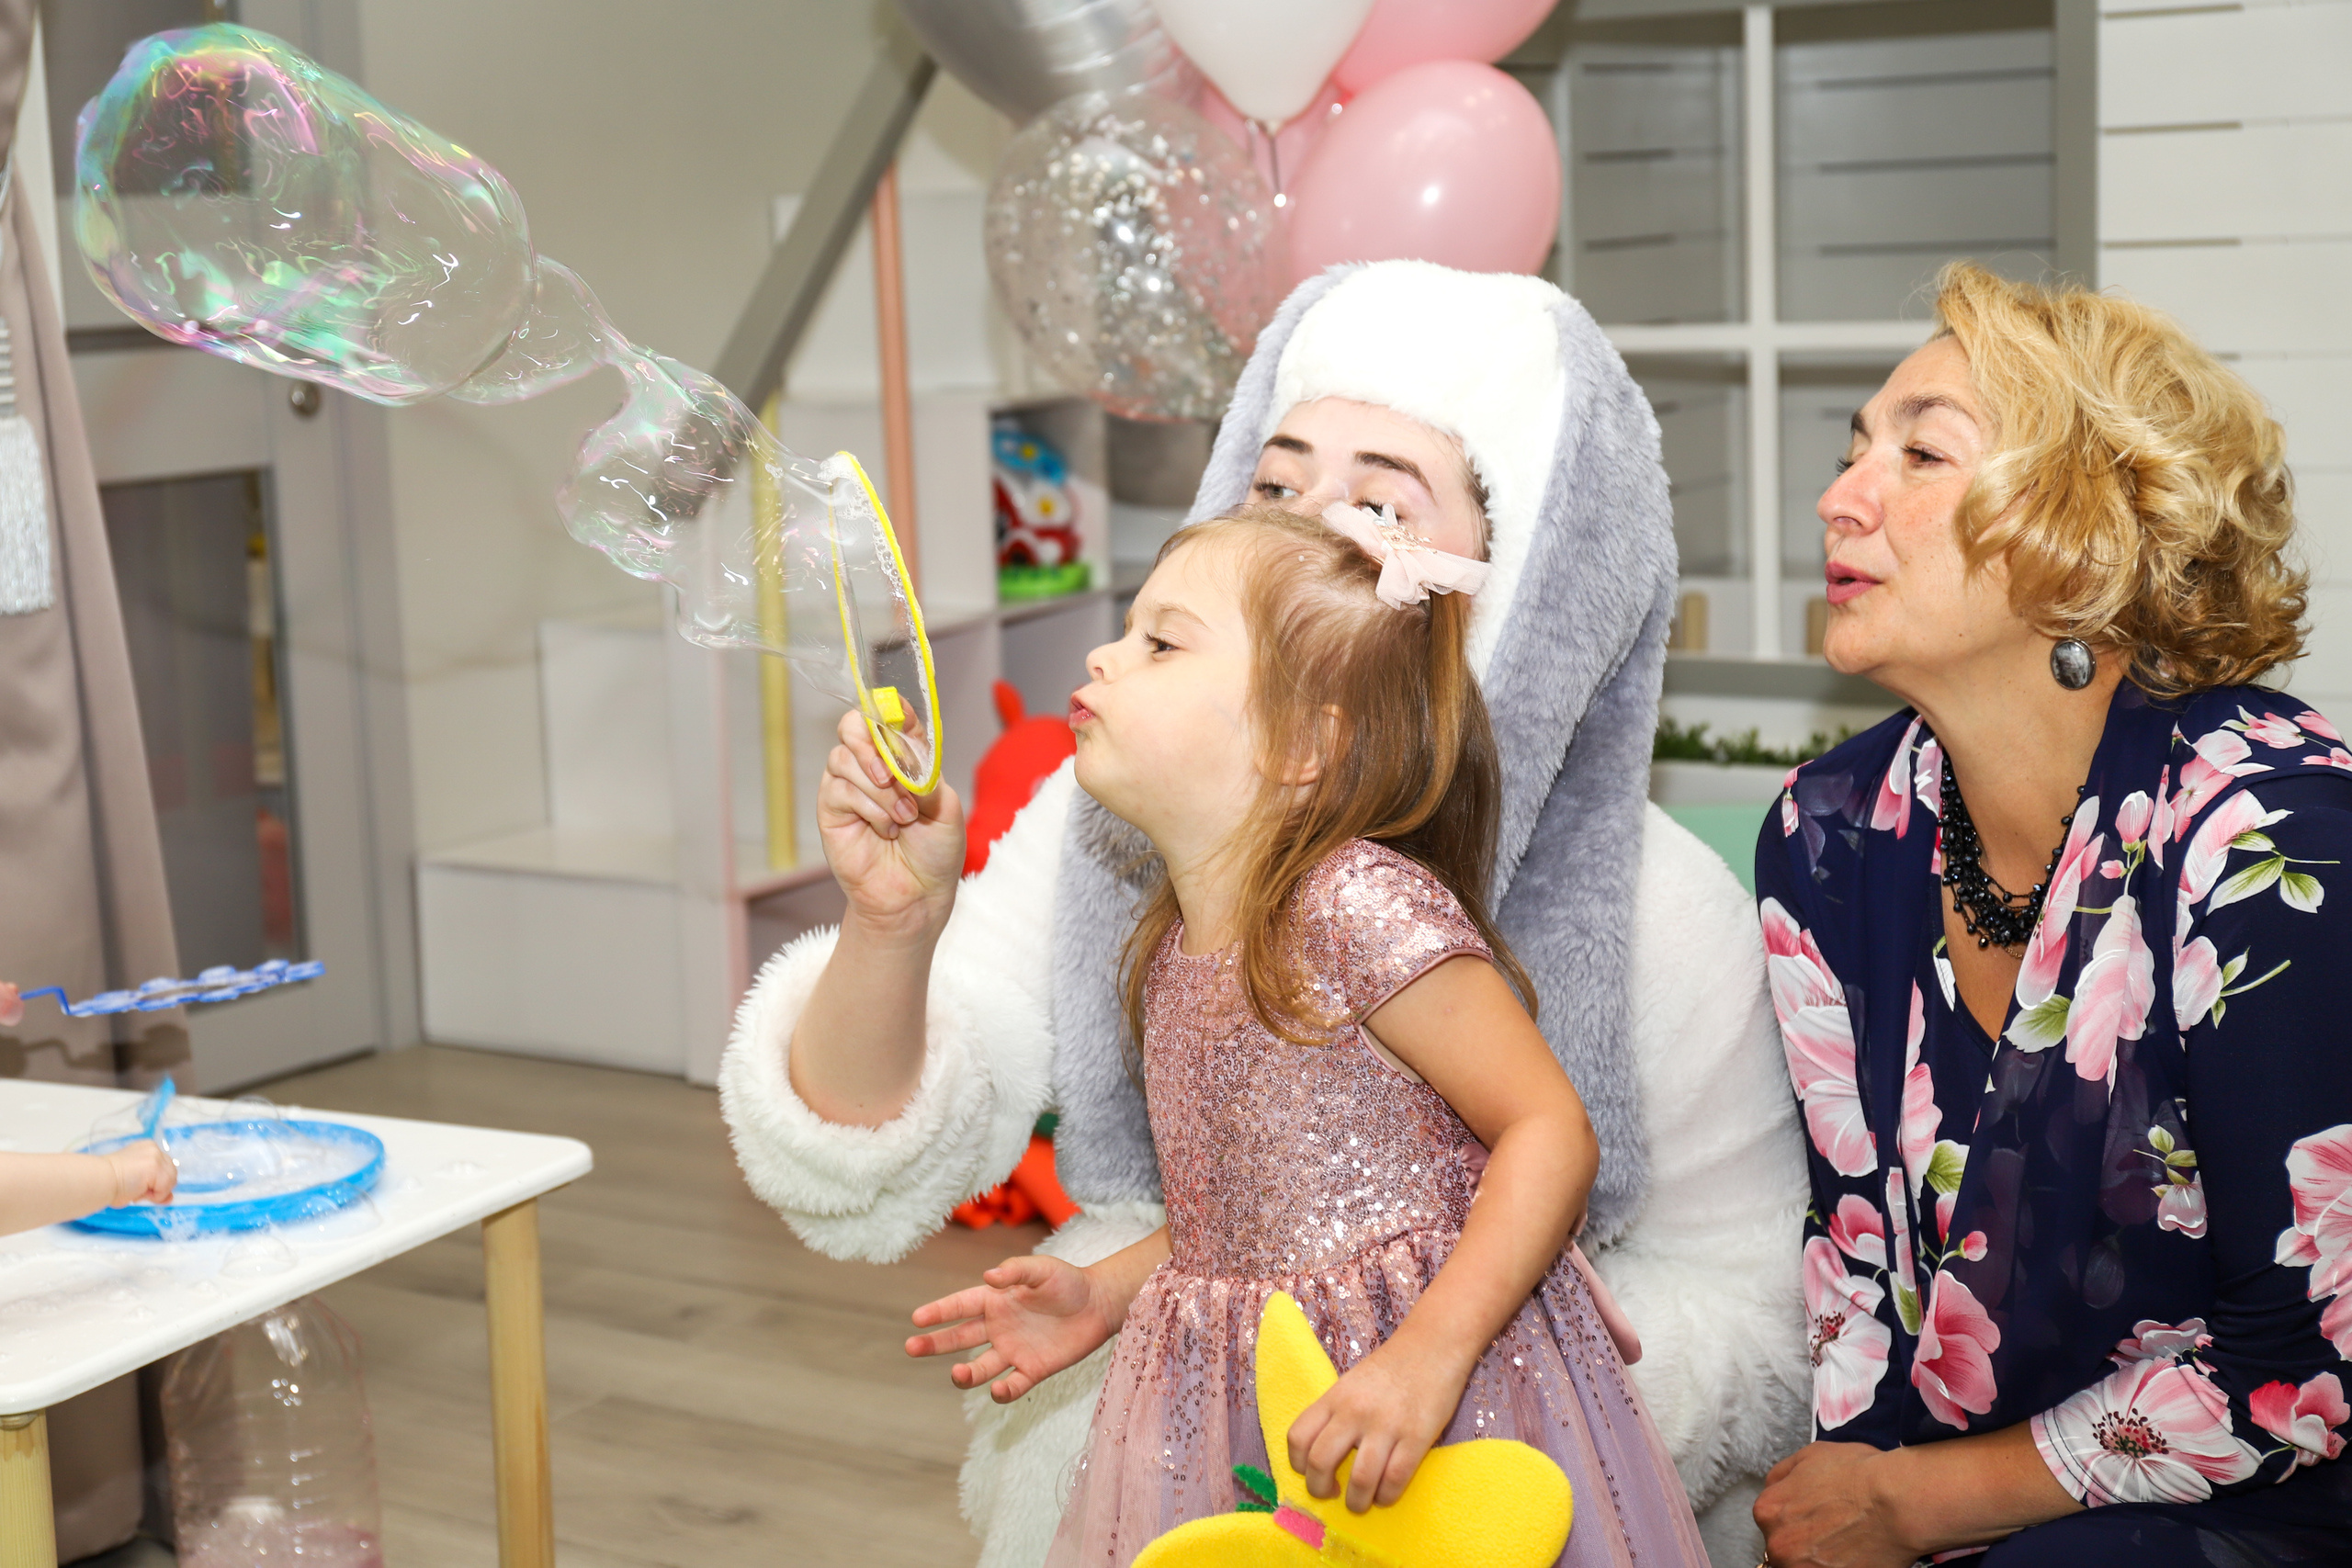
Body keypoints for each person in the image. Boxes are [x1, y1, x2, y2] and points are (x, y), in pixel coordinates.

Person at [720, 260, 1809, 1564]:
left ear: (1516, 578)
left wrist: (1456, 1358)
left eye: (1373, 504)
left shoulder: (1440, 903)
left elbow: (1585, 1168)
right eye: (1276, 483)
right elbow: (1245, 1190)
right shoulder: (1159, 885)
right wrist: (897, 929)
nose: (1302, 529)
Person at [893, 503, 1711, 1565]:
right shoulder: (1177, 946)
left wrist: (1426, 1357)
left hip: (1420, 1393)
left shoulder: (1355, 904)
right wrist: (1101, 1293)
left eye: (1160, 640)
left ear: (1300, 744)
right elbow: (1245, 1213)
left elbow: (1549, 1131)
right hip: (1248, 1395)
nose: (1105, 651)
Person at [1752, 262, 2352, 1566]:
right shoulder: (1828, 830)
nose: (1840, 496)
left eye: (1921, 452)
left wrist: (1922, 1506)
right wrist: (1862, 1504)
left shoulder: (2272, 835)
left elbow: (2305, 1362)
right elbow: (1857, 1255)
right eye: (1857, 449)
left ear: (2082, 525)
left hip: (2270, 1496)